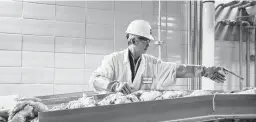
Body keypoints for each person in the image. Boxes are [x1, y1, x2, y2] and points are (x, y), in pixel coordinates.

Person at [89, 20, 226, 94]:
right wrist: (114, 85)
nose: (148, 43)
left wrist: (205, 71)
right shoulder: (113, 60)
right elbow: (94, 80)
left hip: (142, 116)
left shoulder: (152, 63)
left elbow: (178, 70)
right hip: (115, 115)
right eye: (145, 40)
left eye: (149, 40)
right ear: (133, 39)